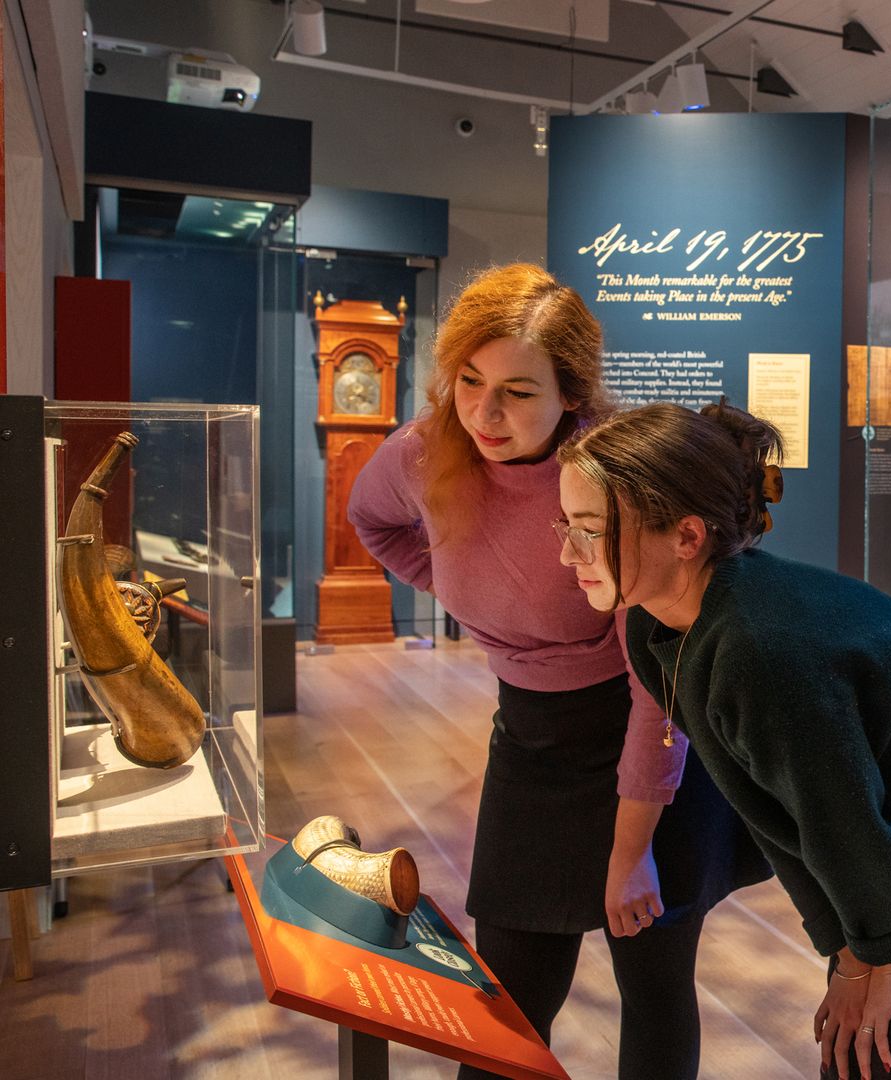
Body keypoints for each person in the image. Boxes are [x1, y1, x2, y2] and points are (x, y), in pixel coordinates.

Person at [555, 400, 891, 1080]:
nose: (566, 553)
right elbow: (775, 816)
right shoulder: (655, 627)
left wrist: (872, 955)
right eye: (567, 526)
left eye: (589, 531)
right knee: (864, 1050)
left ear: (687, 536)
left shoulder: (759, 652)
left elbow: (840, 825)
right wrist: (851, 949)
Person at [346, 265, 767, 1080]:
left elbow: (657, 684)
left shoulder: (610, 476)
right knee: (511, 994)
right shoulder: (426, 451)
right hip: (532, 742)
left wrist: (630, 849)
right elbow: (373, 520)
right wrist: (482, 603)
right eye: (468, 381)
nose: (485, 413)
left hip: (648, 742)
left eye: (516, 391)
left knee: (652, 980)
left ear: (571, 394)